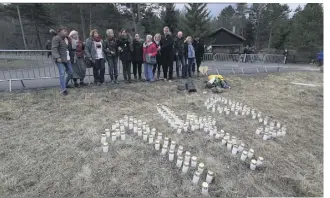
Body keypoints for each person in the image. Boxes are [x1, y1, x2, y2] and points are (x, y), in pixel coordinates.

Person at [51, 27, 73, 96]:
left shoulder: (66, 39)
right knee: (62, 73)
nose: (66, 32)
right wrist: (57, 57)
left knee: (70, 73)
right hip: (59, 59)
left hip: (67, 58)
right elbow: (54, 49)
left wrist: (70, 41)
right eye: (64, 31)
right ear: (59, 31)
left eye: (66, 31)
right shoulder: (56, 38)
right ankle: (63, 89)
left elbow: (69, 48)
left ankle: (64, 84)